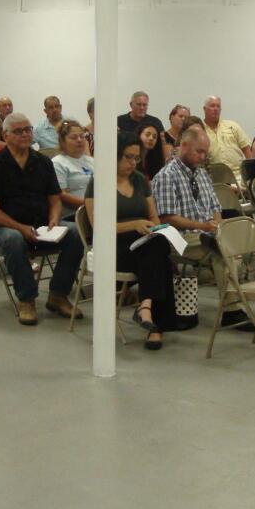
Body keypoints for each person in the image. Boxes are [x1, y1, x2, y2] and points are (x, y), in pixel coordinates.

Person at [0, 113, 84, 325]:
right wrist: (21, 227)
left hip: (42, 225)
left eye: (28, 129)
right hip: (6, 226)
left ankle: (58, 294)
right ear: (6, 136)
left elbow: (55, 199)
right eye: (19, 131)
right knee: (13, 239)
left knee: (75, 233)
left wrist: (54, 220)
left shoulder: (43, 162)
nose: (25, 134)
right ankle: (26, 299)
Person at [152, 127, 252, 332]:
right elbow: (167, 218)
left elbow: (215, 208)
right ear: (185, 146)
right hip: (179, 238)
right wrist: (203, 227)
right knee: (222, 251)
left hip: (205, 233)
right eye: (199, 151)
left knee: (225, 245)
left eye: (205, 152)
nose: (203, 156)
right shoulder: (166, 176)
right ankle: (232, 309)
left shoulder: (202, 174)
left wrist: (216, 226)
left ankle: (232, 305)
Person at [86, 132, 176, 350]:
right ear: (115, 155)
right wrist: (133, 225)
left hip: (142, 243)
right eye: (127, 157)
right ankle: (155, 324)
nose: (132, 162)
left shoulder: (139, 180)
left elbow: (153, 217)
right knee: (159, 256)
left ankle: (146, 307)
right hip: (114, 247)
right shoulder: (99, 181)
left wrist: (154, 228)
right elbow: (96, 225)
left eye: (136, 158)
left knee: (158, 245)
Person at [202, 95, 253, 184]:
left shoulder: (232, 126)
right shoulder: (200, 130)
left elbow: (247, 150)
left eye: (218, 106)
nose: (216, 109)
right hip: (216, 179)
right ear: (204, 109)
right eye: (212, 106)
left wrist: (252, 173)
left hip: (240, 176)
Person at [51, 121, 94, 220]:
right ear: (62, 142)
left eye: (82, 136)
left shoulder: (91, 161)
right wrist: (88, 204)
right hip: (75, 214)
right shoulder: (57, 163)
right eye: (74, 137)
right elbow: (61, 194)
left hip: (95, 210)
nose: (79, 140)